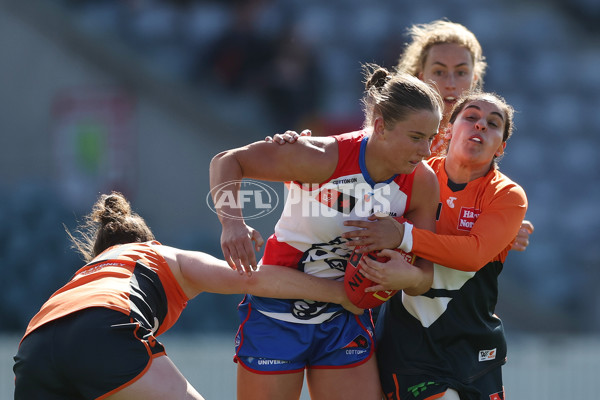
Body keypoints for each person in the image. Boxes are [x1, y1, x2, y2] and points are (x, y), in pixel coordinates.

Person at [209, 65, 443, 400]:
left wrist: (398, 270)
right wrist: (232, 223)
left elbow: (423, 279)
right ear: (381, 126)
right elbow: (227, 161)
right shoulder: (320, 157)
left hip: (345, 318)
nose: (426, 151)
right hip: (276, 313)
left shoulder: (421, 182)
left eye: (431, 138)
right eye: (416, 137)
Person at [13, 192, 361, 400]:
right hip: (102, 325)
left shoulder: (86, 274)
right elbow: (254, 280)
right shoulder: (160, 255)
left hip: (32, 349)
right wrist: (337, 292)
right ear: (149, 240)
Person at [344, 91, 527, 400]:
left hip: (475, 345)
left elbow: (473, 255)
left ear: (502, 147)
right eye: (470, 117)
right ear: (449, 130)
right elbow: (358, 167)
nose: (480, 125)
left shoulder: (507, 195)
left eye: (493, 124)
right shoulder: (414, 174)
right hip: (411, 346)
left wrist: (402, 235)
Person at [395, 19, 534, 247]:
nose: (450, 83)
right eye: (439, 71)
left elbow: (461, 209)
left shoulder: (477, 138)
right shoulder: (395, 127)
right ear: (420, 77)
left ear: (474, 80)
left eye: (461, 72)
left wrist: (500, 228)